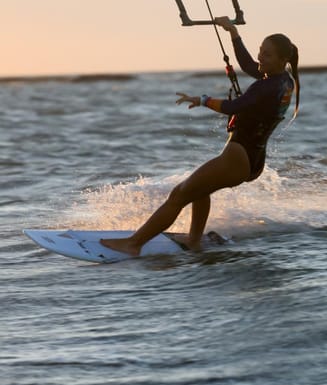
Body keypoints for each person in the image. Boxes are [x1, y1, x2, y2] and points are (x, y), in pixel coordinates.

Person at [100, 16, 300, 255]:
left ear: (282, 59)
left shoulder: (264, 86)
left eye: (267, 55)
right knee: (200, 189)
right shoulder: (283, 82)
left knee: (180, 194)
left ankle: (133, 244)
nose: (260, 57)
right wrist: (233, 34)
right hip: (253, 158)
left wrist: (202, 100)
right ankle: (194, 239)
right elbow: (248, 66)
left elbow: (232, 107)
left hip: (239, 155)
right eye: (260, 51)